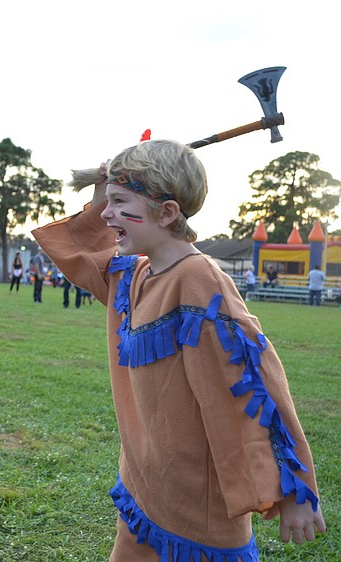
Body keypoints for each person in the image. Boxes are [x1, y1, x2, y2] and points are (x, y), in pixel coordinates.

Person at [32, 140, 324, 560]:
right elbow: (84, 253)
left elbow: (254, 383)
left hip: (198, 513)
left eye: (119, 202)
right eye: (107, 203)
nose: (106, 214)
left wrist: (294, 488)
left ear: (167, 212)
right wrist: (103, 191)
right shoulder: (135, 274)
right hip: (145, 491)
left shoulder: (199, 280)